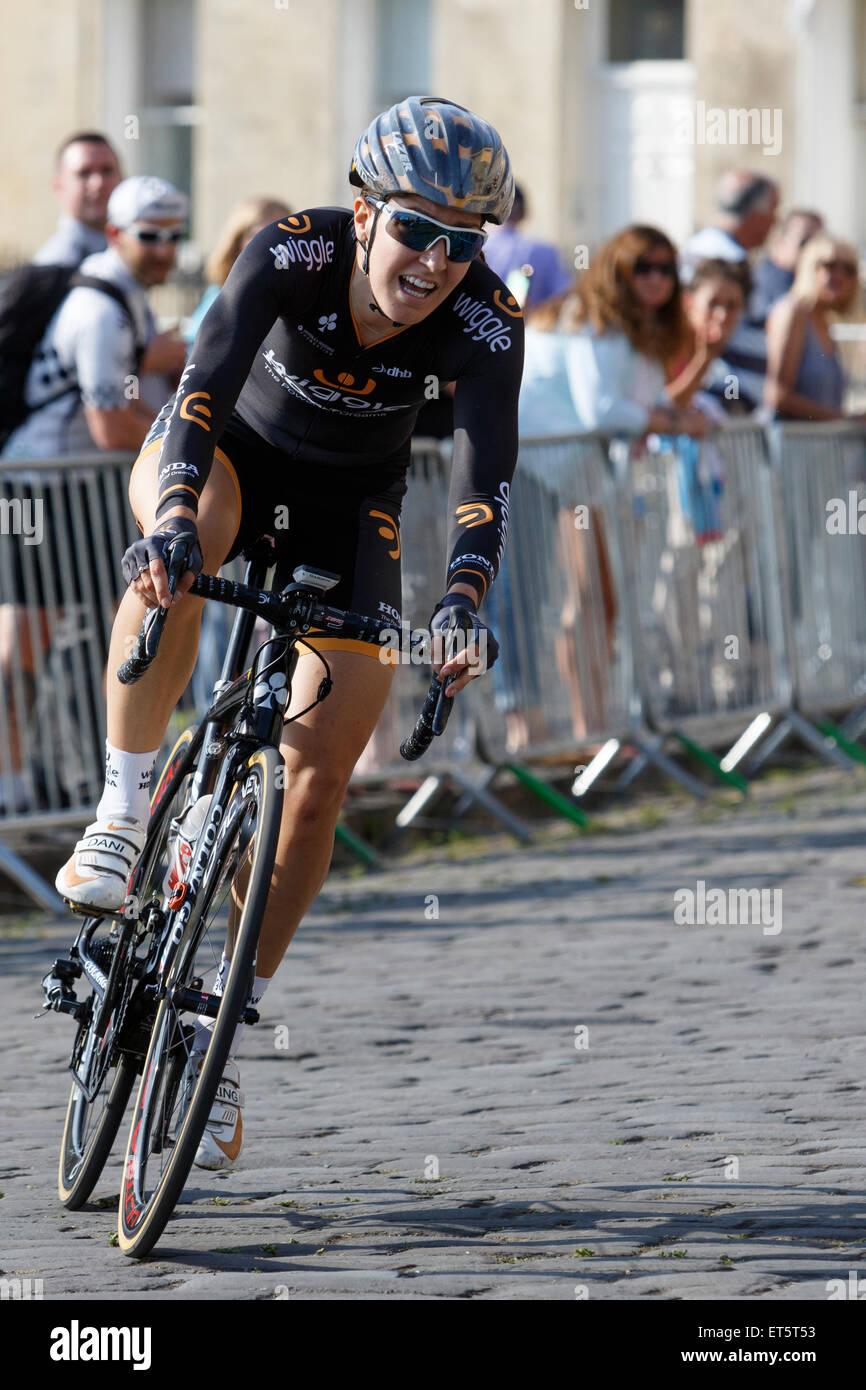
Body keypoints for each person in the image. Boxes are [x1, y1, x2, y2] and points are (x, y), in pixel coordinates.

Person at [54, 96, 523, 1171]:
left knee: (322, 769)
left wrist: (461, 599)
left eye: (462, 243)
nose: (437, 262)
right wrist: (170, 519)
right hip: (221, 460)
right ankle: (123, 813)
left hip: (350, 508)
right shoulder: (291, 251)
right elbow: (201, 384)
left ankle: (219, 1026)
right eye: (416, 230)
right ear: (364, 214)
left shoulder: (488, 317)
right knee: (189, 555)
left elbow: (482, 474)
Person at [0, 176, 189, 815]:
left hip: (72, 487)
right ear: (114, 234)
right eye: (150, 235)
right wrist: (188, 452)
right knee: (26, 640)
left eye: (173, 235)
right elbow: (113, 426)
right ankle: (11, 786)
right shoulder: (101, 308)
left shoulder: (125, 294)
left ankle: (77, 782)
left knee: (105, 632)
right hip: (36, 490)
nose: (164, 248)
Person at [680, 171, 780, 414]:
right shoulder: (716, 253)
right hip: (719, 399)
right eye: (773, 211)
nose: (776, 221)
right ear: (757, 213)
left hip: (734, 403)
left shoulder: (728, 251)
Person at [765, 233, 862, 421]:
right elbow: (778, 396)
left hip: (819, 446)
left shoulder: (826, 322)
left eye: (848, 270)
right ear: (810, 267)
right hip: (790, 444)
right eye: (830, 265)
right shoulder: (793, 312)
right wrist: (842, 419)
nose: (839, 276)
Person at [184, 196, 292, 345]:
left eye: (286, 236)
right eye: (262, 236)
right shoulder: (222, 298)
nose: (276, 246)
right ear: (236, 243)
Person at [32, 132, 123, 269]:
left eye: (107, 170)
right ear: (59, 187)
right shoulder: (57, 266)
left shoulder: (127, 253)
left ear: (123, 179)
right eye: (84, 173)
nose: (98, 183)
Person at [484, 182, 572, 310]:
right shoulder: (544, 251)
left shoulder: (476, 246)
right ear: (522, 212)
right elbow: (564, 294)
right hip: (532, 327)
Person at [750, 208, 824, 326]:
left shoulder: (812, 280)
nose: (813, 251)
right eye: (805, 243)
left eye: (819, 244)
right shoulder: (772, 280)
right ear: (780, 242)